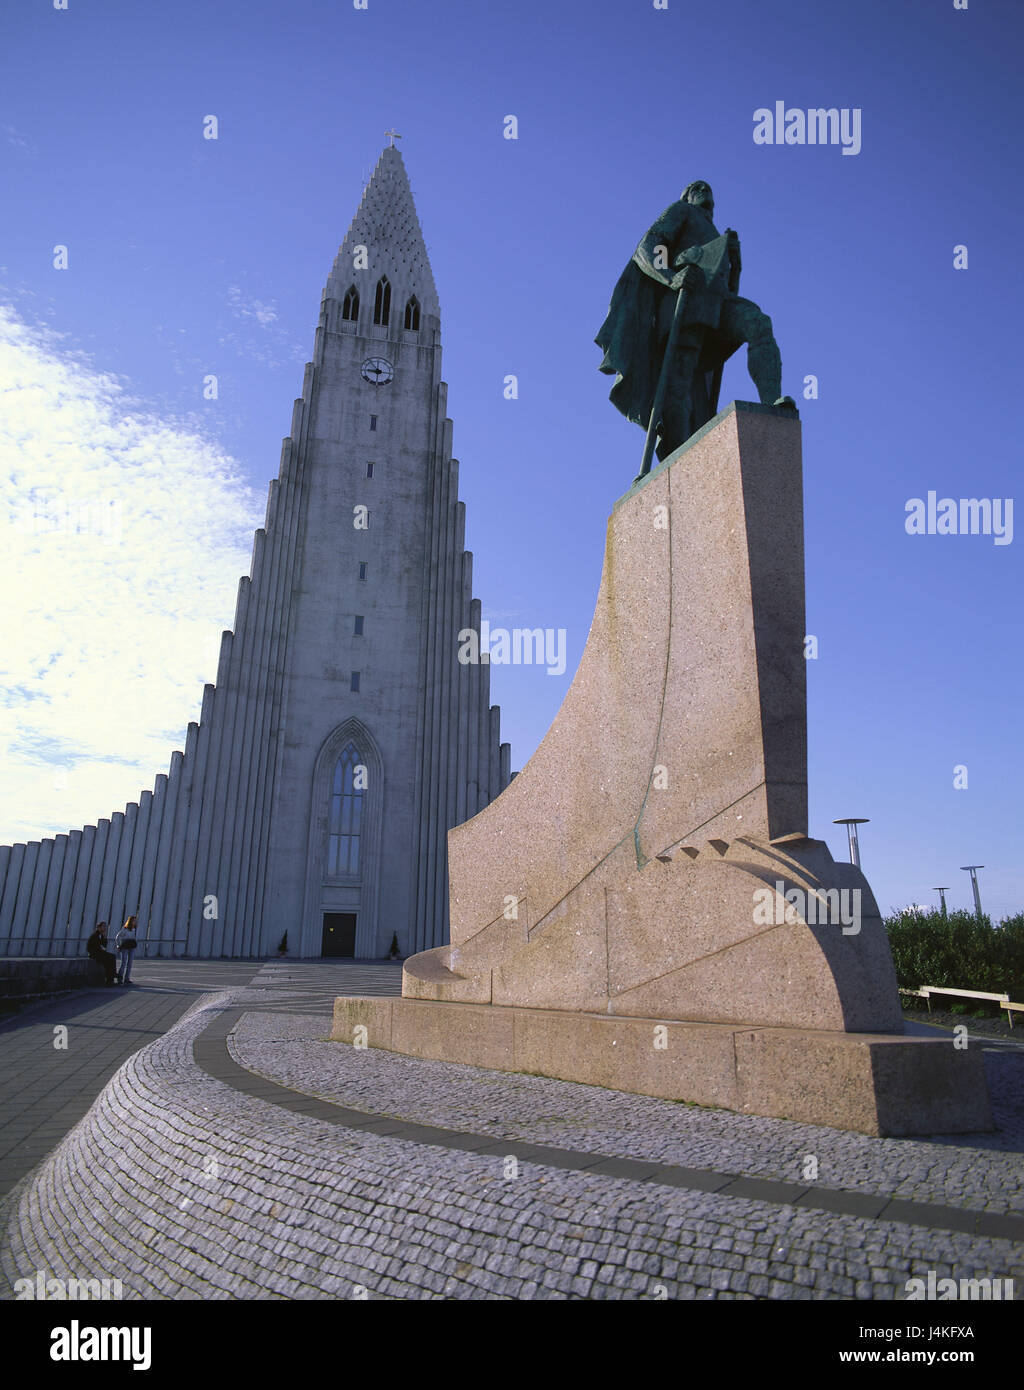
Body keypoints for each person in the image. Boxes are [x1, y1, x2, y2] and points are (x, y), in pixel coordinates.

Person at [596, 179, 796, 463]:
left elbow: (727, 288)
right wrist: (670, 277)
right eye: (697, 188)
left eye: (708, 189)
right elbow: (649, 246)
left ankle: (771, 402)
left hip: (717, 305)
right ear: (687, 196)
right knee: (679, 385)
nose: (705, 191)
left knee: (758, 324)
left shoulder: (717, 234)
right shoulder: (681, 211)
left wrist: (735, 265)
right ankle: (679, 457)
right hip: (686, 303)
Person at [86, 921, 117, 986]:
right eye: (103, 926)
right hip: (94, 954)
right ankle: (111, 978)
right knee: (110, 959)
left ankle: (111, 978)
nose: (105, 928)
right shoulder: (94, 935)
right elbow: (90, 947)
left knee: (111, 958)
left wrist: (105, 938)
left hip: (100, 953)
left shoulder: (101, 935)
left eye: (105, 926)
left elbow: (104, 946)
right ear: (99, 927)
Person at [115, 916, 138, 986]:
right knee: (124, 963)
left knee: (130, 963)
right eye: (133, 921)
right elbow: (117, 937)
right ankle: (120, 978)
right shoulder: (125, 929)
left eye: (135, 921)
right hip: (125, 946)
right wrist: (118, 945)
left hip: (132, 946)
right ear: (130, 921)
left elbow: (135, 937)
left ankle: (127, 978)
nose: (135, 922)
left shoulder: (135, 929)